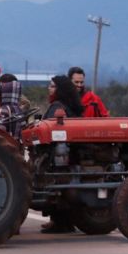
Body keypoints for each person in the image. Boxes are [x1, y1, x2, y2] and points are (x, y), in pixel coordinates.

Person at [41, 75, 83, 234]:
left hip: (59, 154)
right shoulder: (70, 106)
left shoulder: (58, 107)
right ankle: (62, 221)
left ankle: (60, 221)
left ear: (59, 90)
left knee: (57, 184)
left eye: (52, 86)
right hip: (67, 153)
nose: (49, 89)